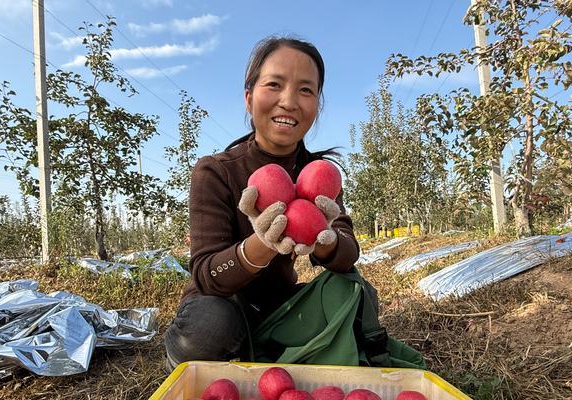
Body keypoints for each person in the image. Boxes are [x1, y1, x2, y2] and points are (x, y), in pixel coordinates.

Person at [163, 36, 398, 372]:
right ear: (249, 97)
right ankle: (220, 355)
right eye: (274, 84)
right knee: (208, 328)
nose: (289, 101)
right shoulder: (216, 171)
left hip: (280, 306)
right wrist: (262, 244)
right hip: (224, 303)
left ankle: (265, 351)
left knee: (359, 295)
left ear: (317, 104)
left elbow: (348, 254)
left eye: (306, 90)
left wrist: (327, 238)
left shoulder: (320, 175)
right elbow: (206, 275)